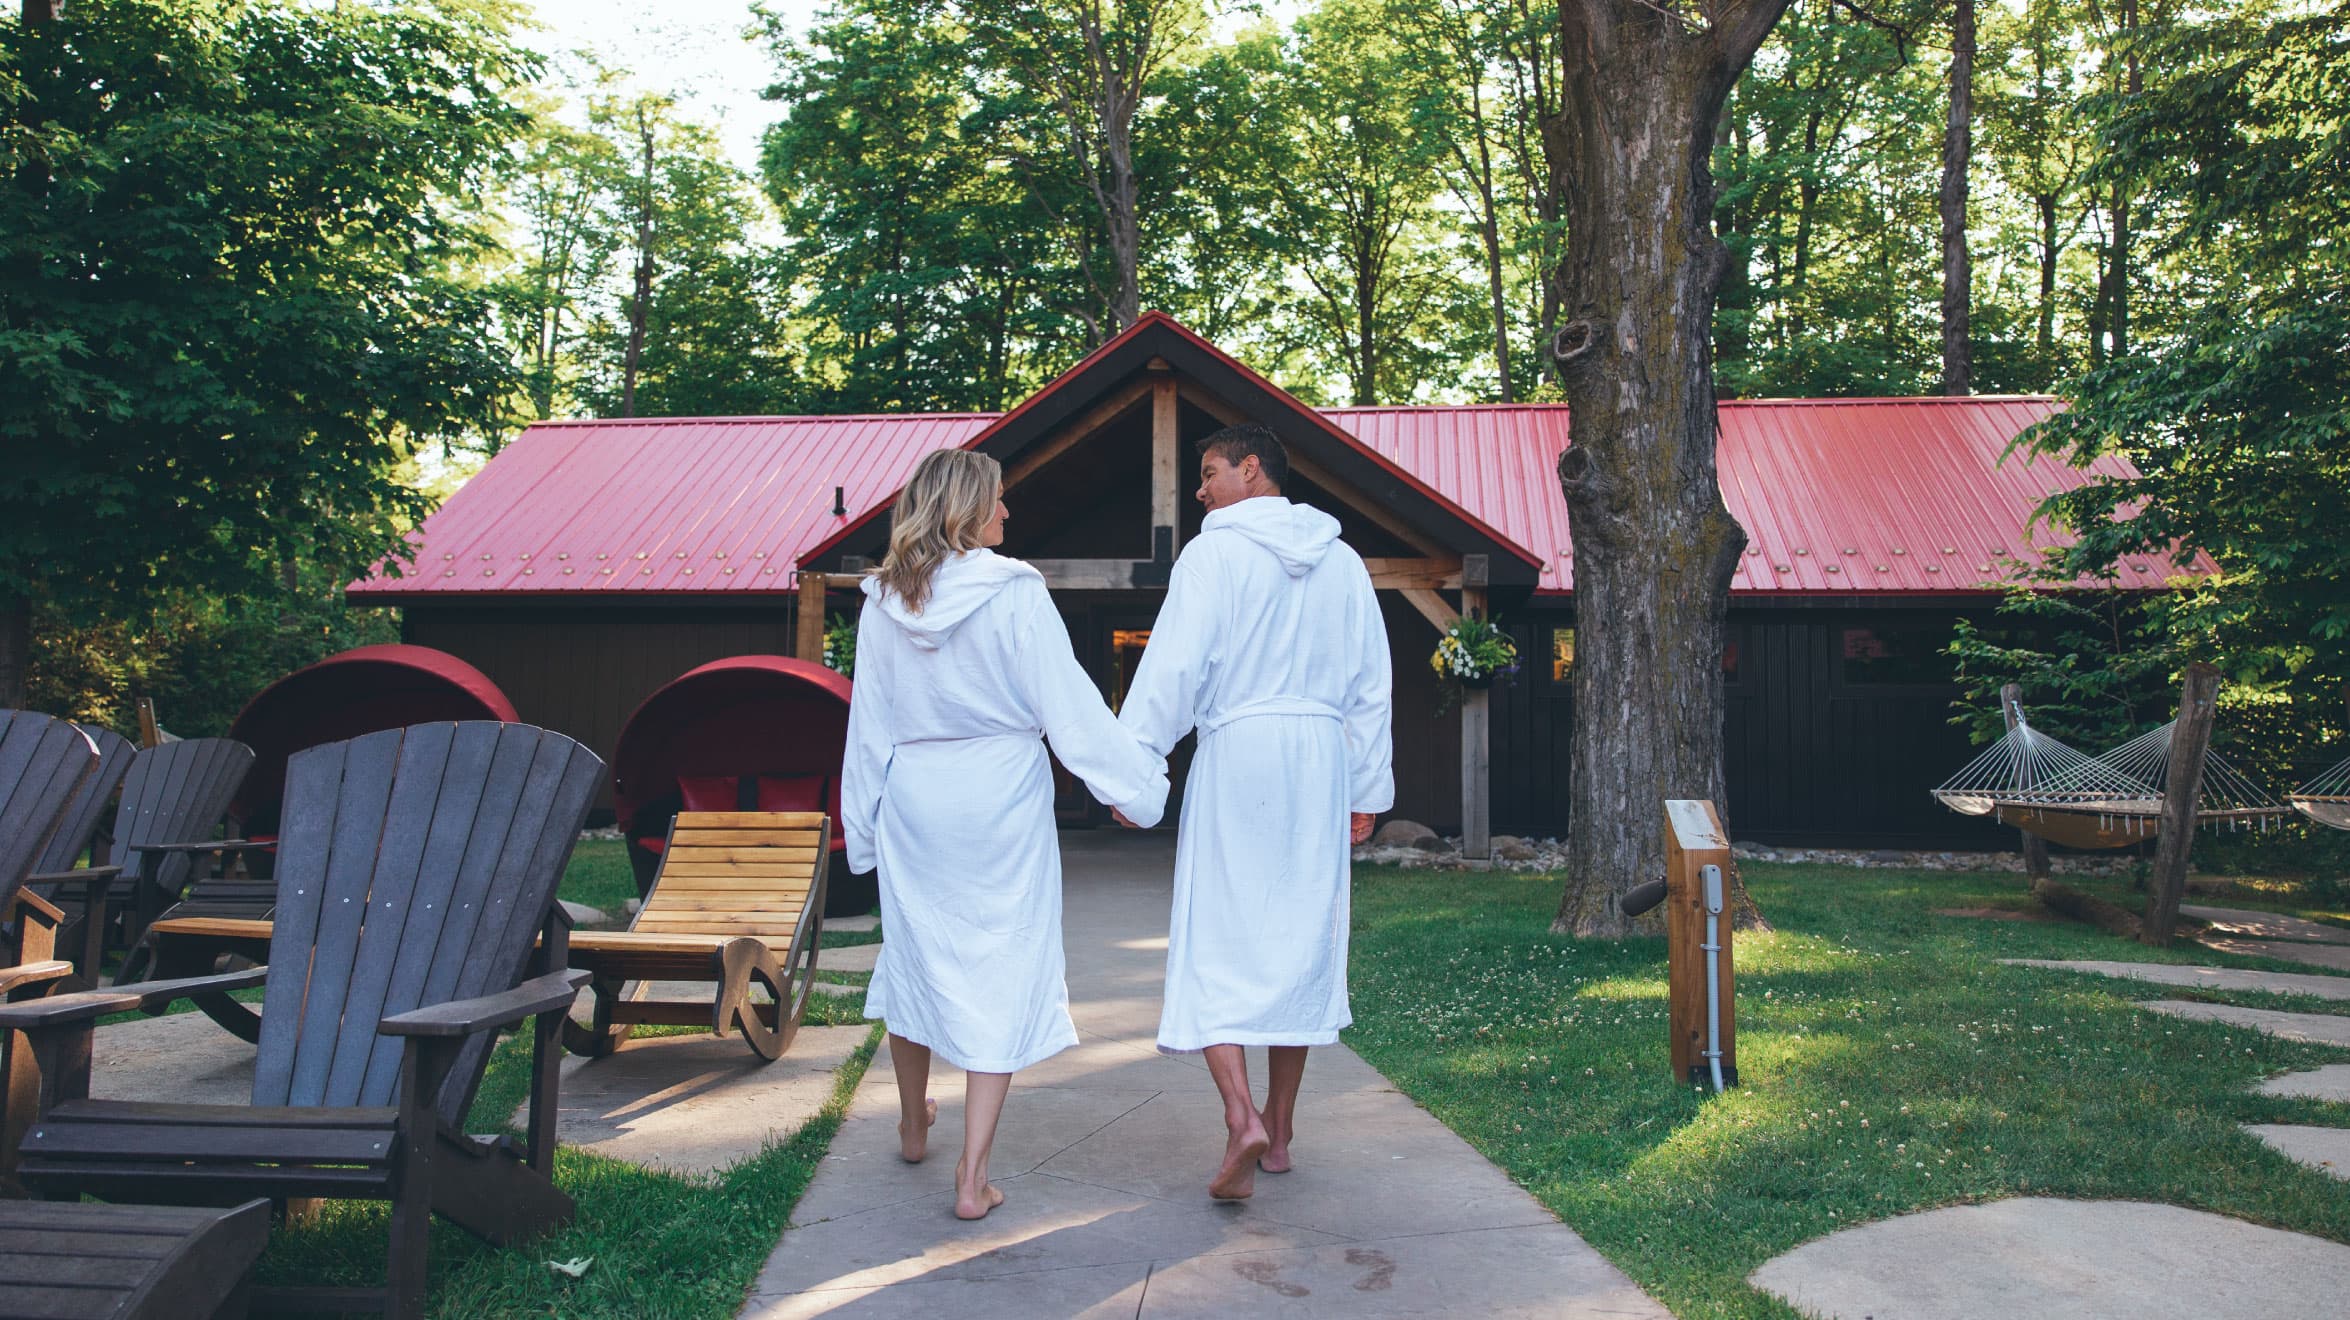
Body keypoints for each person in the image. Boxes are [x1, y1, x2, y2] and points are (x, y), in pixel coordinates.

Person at [842, 448, 1169, 1220]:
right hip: (998, 800)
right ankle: (973, 1174)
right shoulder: (1015, 592)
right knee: (1001, 965)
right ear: (966, 506)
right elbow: (1069, 707)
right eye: (998, 498)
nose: (1007, 512)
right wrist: (1135, 791)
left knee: (916, 953)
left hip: (916, 799)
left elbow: (868, 726)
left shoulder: (884, 600)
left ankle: (914, 1124)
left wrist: (862, 829)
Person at [1114, 422, 1393, 1200]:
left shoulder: (1212, 557)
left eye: (1210, 472)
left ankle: (1242, 1118)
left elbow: (1173, 669)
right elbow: (1370, 682)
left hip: (1240, 751)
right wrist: (1365, 787)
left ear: (1253, 470)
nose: (1200, 490)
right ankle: (1281, 1130)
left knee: (1216, 936)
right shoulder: (1342, 562)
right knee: (1297, 942)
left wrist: (1133, 773)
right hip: (1320, 761)